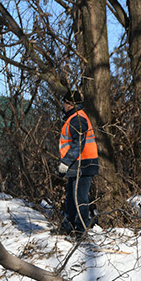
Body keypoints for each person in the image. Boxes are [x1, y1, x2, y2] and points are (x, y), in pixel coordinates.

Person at [57, 89, 99, 235]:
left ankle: (81, 231)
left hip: (84, 164)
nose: (62, 105)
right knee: (71, 196)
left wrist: (66, 162)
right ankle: (69, 225)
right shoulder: (74, 117)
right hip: (79, 164)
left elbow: (79, 143)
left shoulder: (77, 119)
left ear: (69, 104)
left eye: (64, 102)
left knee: (80, 198)